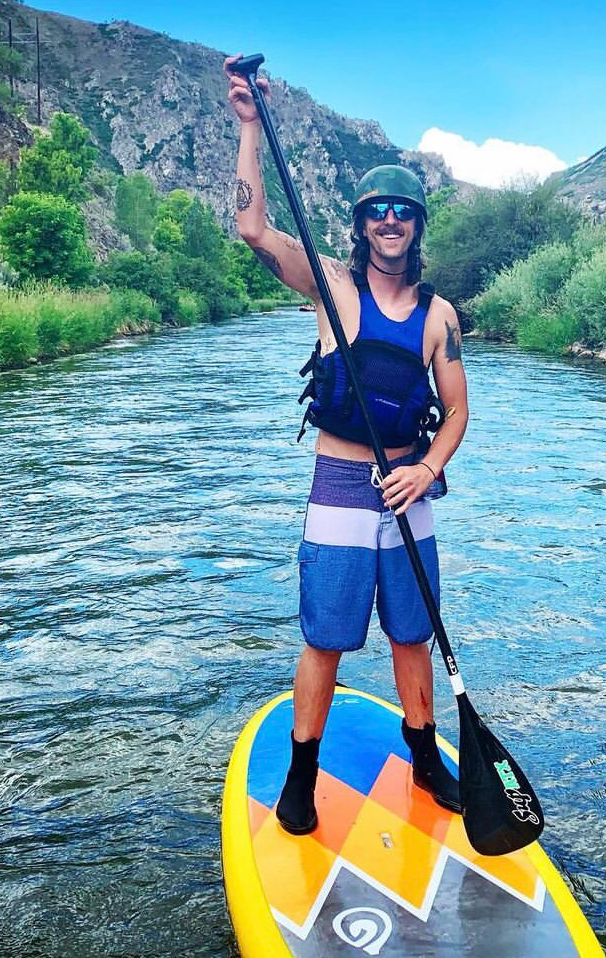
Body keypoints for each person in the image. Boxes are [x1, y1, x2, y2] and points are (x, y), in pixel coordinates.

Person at [224, 57, 470, 835]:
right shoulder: (331, 284)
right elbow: (251, 227)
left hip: (409, 488)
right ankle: (302, 775)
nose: (389, 221)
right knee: (326, 635)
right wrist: (249, 128)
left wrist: (427, 468)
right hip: (337, 481)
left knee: (411, 631)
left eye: (403, 210)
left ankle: (425, 757)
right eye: (376, 211)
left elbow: (458, 410)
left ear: (416, 223)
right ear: (361, 224)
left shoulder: (440, 315)